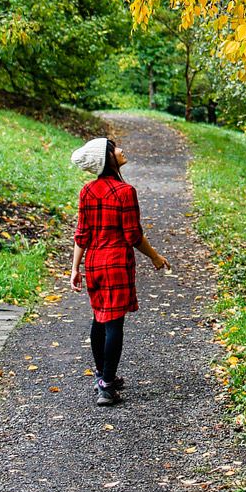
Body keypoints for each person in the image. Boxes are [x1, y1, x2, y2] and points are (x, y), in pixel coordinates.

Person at [70, 136, 169, 406]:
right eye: (115, 148)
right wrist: (155, 257)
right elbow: (133, 235)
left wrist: (75, 268)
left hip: (94, 262)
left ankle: (103, 374)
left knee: (99, 319)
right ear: (108, 158)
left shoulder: (87, 191)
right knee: (113, 323)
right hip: (116, 264)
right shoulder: (126, 192)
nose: (122, 150)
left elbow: (82, 235)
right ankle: (107, 385)